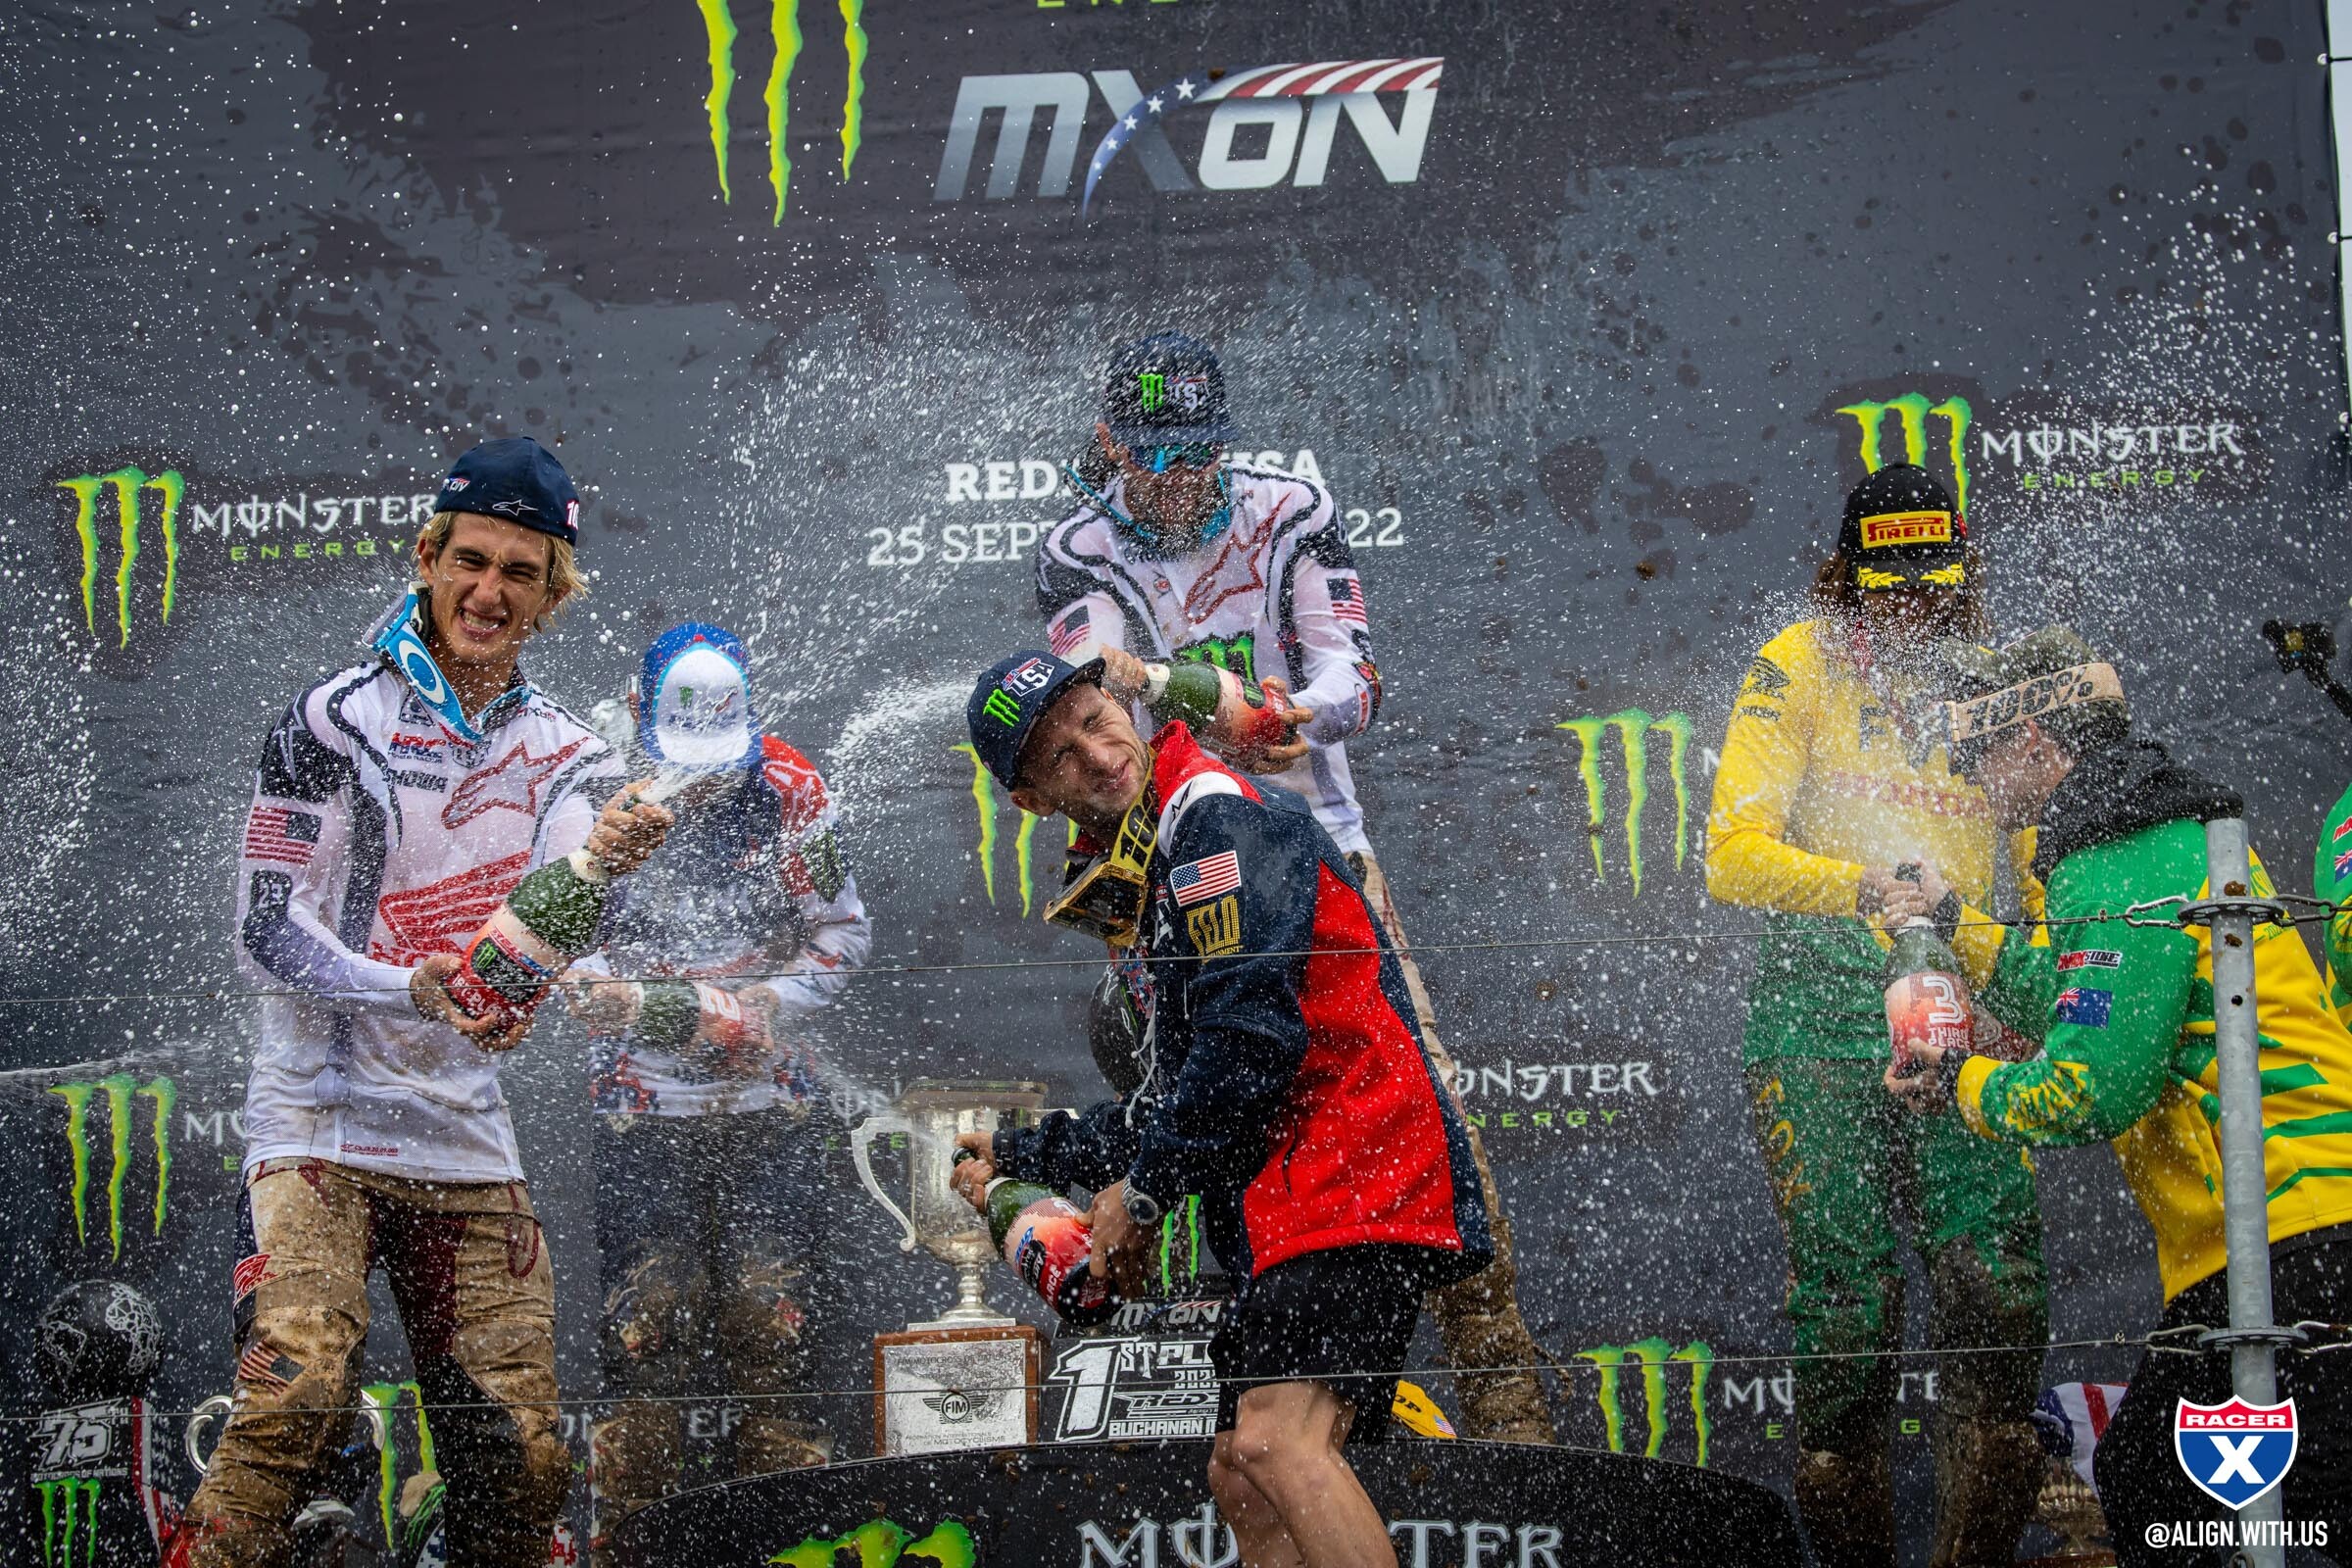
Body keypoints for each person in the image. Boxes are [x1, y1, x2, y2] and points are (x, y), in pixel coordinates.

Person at [1033, 330, 1551, 1444]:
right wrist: (1196, 698)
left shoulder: (1290, 510)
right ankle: (1273, 1422)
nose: (1177, 479)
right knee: (1215, 1107)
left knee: (1427, 1124)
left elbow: (1352, 681)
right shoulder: (1074, 550)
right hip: (1176, 867)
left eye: (1197, 453)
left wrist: (1291, 714)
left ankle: (1512, 1424)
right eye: (1152, 456)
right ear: (1110, 444)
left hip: (1321, 856)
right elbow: (1101, 705)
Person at [173, 437, 672, 1568]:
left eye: (519, 572)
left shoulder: (570, 754)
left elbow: (540, 930)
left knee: (526, 1458)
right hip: (318, 1124)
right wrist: (408, 984)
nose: (488, 591)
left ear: (552, 596)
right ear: (428, 557)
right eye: (471, 561)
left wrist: (602, 869)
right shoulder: (329, 719)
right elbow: (263, 932)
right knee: (295, 1397)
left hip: (461, 1140)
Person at [950, 650, 1490, 1568]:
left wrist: (1144, 1195)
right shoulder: (1160, 854)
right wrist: (1023, 1153)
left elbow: (1248, 1039)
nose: (1097, 754)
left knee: (1279, 1445)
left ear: (1119, 703)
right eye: (1061, 754)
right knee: (1240, 1475)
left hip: (1356, 1163)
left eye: (1094, 719)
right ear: (1032, 800)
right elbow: (1174, 1095)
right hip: (1296, 1188)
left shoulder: (1212, 812)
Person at [1884, 627, 2352, 1565]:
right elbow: (2091, 1003)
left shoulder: (2115, 853)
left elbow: (2090, 1086)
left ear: (2033, 741)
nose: (1975, 789)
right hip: (2288, 1232)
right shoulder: (2144, 831)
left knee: (2152, 1484)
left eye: (1980, 761)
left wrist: (1961, 1083)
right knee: (2192, 1487)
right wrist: (1955, 920)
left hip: (2290, 1241)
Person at [1703, 464, 2048, 1568]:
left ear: (1959, 577)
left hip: (1959, 990)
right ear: (1845, 577)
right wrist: (1863, 887)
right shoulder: (1797, 661)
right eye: (1886, 589)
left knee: (1993, 1280)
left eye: (1930, 587)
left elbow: (2040, 864)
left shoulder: (1996, 680)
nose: (1909, 610)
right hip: (1818, 998)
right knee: (1848, 1306)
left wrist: (2024, 988)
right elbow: (1731, 854)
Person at [562, 623, 870, 1561]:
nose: (699, 785)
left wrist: (762, 1007)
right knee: (645, 1329)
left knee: (773, 1323)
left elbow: (844, 936)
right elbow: (562, 949)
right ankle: (632, 1544)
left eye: (715, 762)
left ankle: (789, 1540)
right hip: (640, 1111)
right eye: (681, 762)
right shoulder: (591, 790)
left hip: (772, 1108)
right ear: (639, 720)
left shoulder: (791, 787)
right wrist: (625, 1002)